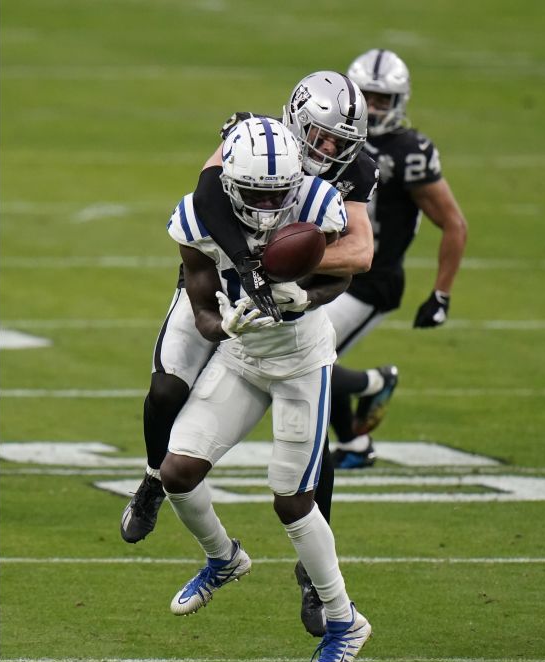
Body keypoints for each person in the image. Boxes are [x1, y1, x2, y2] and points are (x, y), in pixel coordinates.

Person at [120, 71, 376, 545]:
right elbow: (207, 195)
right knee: (166, 388)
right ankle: (155, 478)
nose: (329, 151)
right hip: (219, 275)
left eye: (341, 143)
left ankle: (313, 570)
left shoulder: (354, 171)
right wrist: (247, 261)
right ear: (297, 119)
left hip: (284, 297)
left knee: (310, 449)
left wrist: (290, 264)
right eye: (321, 136)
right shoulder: (255, 138)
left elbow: (360, 254)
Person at [159, 117, 371, 662]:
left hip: (302, 361)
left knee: (292, 499)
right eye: (257, 194)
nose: (270, 205)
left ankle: (344, 620)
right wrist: (219, 324)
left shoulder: (318, 200)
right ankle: (224, 558)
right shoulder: (197, 216)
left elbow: (344, 274)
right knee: (175, 471)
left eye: (280, 193)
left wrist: (306, 295)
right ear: (230, 182)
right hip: (244, 356)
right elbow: (200, 302)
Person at [324, 48, 470, 470]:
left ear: (399, 102)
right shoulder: (331, 135)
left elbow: (454, 224)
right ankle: (353, 444)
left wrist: (441, 294)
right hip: (328, 268)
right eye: (366, 96)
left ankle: (374, 383)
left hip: (369, 279)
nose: (372, 107)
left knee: (301, 356)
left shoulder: (409, 151)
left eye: (382, 99)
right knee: (302, 356)